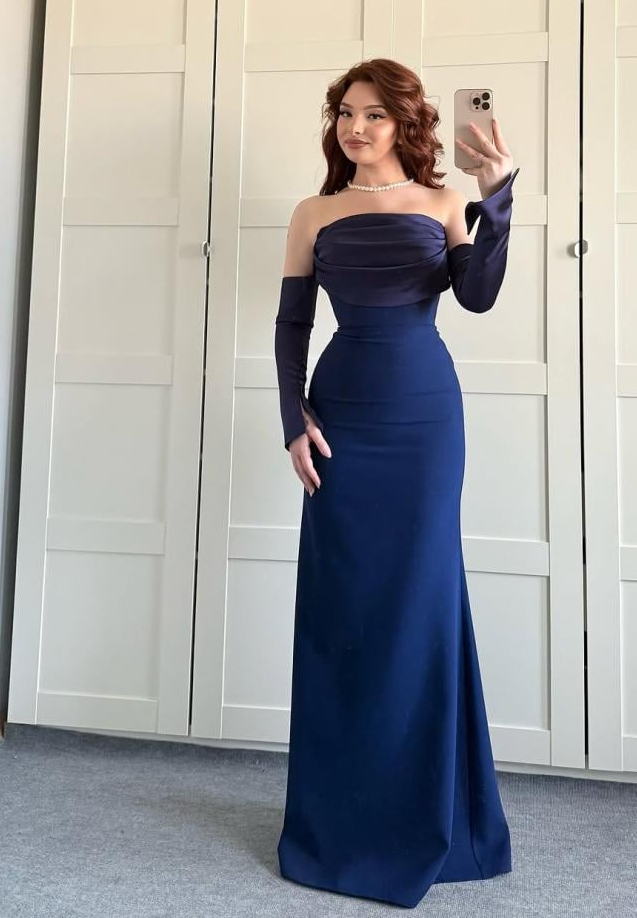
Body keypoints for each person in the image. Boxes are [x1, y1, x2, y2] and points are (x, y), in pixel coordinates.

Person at [274, 57, 520, 909]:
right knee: (343, 605)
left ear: (405, 123)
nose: (356, 126)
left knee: (422, 600)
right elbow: (292, 325)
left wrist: (497, 196)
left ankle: (428, 810)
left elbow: (478, 297)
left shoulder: (446, 203)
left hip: (423, 420)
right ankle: (342, 816)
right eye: (346, 112)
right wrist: (291, 418)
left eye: (374, 114)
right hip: (341, 417)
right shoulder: (314, 213)